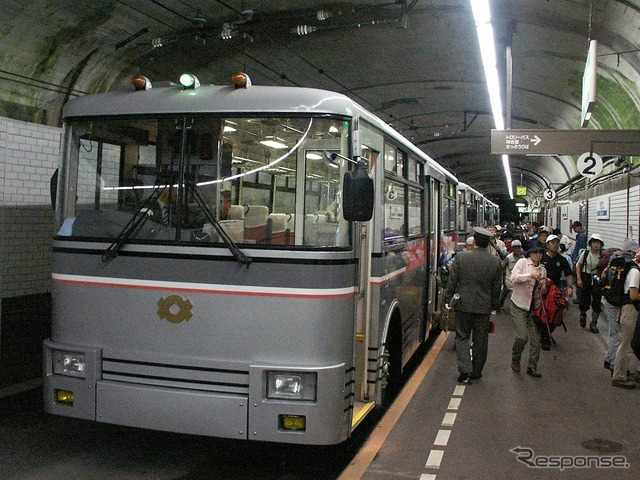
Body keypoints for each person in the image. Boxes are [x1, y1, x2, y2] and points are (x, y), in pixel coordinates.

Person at [444, 227, 503, 383]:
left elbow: (452, 281)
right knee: (481, 339)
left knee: (462, 337)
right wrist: (494, 306)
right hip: (484, 307)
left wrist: (447, 299)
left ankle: (464, 370)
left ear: (475, 241)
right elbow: (497, 287)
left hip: (463, 304)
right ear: (488, 243)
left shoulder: (461, 258)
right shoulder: (495, 262)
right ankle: (476, 371)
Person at [603, 239, 640, 389]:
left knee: (626, 342)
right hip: (630, 309)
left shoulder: (627, 268)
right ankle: (619, 376)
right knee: (626, 343)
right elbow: (633, 295)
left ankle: (621, 371)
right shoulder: (635, 271)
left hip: (626, 309)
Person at [509, 244, 548, 377]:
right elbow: (513, 278)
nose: (538, 255)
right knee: (522, 336)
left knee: (536, 340)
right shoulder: (522, 263)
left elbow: (542, 291)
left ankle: (532, 366)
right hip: (519, 305)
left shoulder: (543, 269)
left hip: (534, 308)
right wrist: (530, 275)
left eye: (540, 253)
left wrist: (544, 284)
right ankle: (515, 358)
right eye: (535, 252)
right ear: (530, 254)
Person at [540, 234, 575, 350]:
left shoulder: (562, 259)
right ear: (547, 244)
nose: (555, 245)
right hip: (541, 290)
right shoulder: (541, 258)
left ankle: (548, 333)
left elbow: (569, 274)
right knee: (544, 314)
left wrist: (570, 286)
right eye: (552, 242)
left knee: (556, 314)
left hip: (555, 290)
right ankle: (544, 337)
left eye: (557, 242)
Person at [575, 233, 604, 333]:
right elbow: (578, 266)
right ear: (590, 243)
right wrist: (579, 279)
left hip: (597, 279)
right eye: (594, 242)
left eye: (598, 243)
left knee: (596, 301)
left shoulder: (602, 255)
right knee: (584, 300)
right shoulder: (585, 253)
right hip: (586, 277)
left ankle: (594, 323)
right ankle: (583, 314)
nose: (596, 245)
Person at [499, 239, 524, 309]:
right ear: (512, 248)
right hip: (509, 279)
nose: (517, 249)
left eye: (518, 247)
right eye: (515, 247)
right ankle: (500, 305)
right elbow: (502, 266)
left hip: (520, 278)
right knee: (507, 292)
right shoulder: (508, 258)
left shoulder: (523, 257)